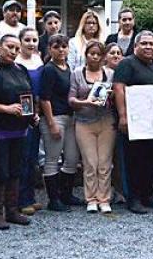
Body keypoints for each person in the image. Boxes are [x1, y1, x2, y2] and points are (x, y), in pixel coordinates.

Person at [0, 34, 39, 230]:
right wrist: (5, 108)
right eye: (9, 47)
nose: (13, 52)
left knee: (16, 171)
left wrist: (33, 115)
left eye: (16, 48)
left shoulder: (21, 69)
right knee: (2, 172)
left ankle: (12, 211)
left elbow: (28, 96)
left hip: (20, 130)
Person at [113, 30, 153, 214]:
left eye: (151, 44)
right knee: (133, 161)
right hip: (133, 123)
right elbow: (119, 89)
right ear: (135, 46)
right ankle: (133, 198)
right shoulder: (127, 64)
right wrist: (123, 116)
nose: (148, 47)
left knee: (151, 159)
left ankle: (147, 195)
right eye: (143, 44)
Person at [69, 41, 116, 213]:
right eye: (91, 53)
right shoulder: (76, 73)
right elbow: (71, 99)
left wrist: (110, 96)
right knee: (90, 162)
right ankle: (91, 199)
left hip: (106, 120)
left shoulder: (110, 73)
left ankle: (104, 199)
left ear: (103, 56)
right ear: (86, 54)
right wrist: (84, 102)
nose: (95, 57)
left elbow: (117, 98)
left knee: (104, 162)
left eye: (98, 54)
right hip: (83, 122)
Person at [40, 34, 83, 212]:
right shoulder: (49, 69)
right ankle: (54, 199)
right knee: (52, 159)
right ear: (50, 49)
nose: (61, 50)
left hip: (70, 117)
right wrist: (51, 124)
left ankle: (66, 194)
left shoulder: (68, 69)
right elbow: (44, 98)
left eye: (64, 46)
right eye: (57, 47)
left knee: (72, 158)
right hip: (54, 118)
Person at [15, 27, 44, 216]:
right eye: (27, 40)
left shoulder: (38, 59)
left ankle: (30, 197)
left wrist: (38, 111)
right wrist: (28, 113)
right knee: (22, 159)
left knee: (32, 158)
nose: (31, 44)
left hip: (37, 112)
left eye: (34, 40)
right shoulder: (16, 63)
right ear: (20, 42)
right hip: (23, 114)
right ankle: (20, 200)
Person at [103, 43, 128, 202]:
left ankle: (120, 190)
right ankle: (104, 191)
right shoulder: (102, 73)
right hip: (103, 118)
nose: (116, 55)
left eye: (119, 52)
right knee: (105, 158)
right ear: (105, 55)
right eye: (112, 52)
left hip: (121, 119)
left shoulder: (126, 72)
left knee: (120, 158)